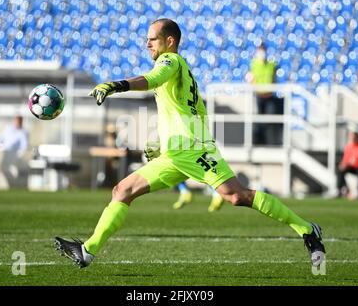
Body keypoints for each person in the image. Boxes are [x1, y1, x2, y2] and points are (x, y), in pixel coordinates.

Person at [55, 18, 325, 269]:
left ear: (169, 41)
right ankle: (87, 251)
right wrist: (165, 143)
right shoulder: (180, 71)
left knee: (236, 196)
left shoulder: (170, 61)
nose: (147, 44)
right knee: (122, 190)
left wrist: (117, 85)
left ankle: (307, 229)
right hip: (175, 154)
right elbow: (191, 113)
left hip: (194, 150)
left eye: (153, 39)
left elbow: (151, 80)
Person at [144, 140, 224, 211]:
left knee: (180, 160)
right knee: (177, 162)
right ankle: (186, 191)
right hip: (186, 141)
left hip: (187, 139)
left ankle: (214, 192)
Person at [246, 43, 283, 146]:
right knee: (258, 121)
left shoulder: (271, 65)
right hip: (259, 96)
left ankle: (269, 143)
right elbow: (250, 78)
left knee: (270, 120)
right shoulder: (253, 64)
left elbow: (274, 78)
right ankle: (258, 142)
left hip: (269, 96)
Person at [337, 131, 358, 200]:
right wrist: (344, 165)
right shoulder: (349, 147)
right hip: (354, 167)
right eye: (351, 138)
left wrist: (355, 162)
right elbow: (345, 159)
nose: (352, 140)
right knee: (341, 170)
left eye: (354, 138)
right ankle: (341, 189)